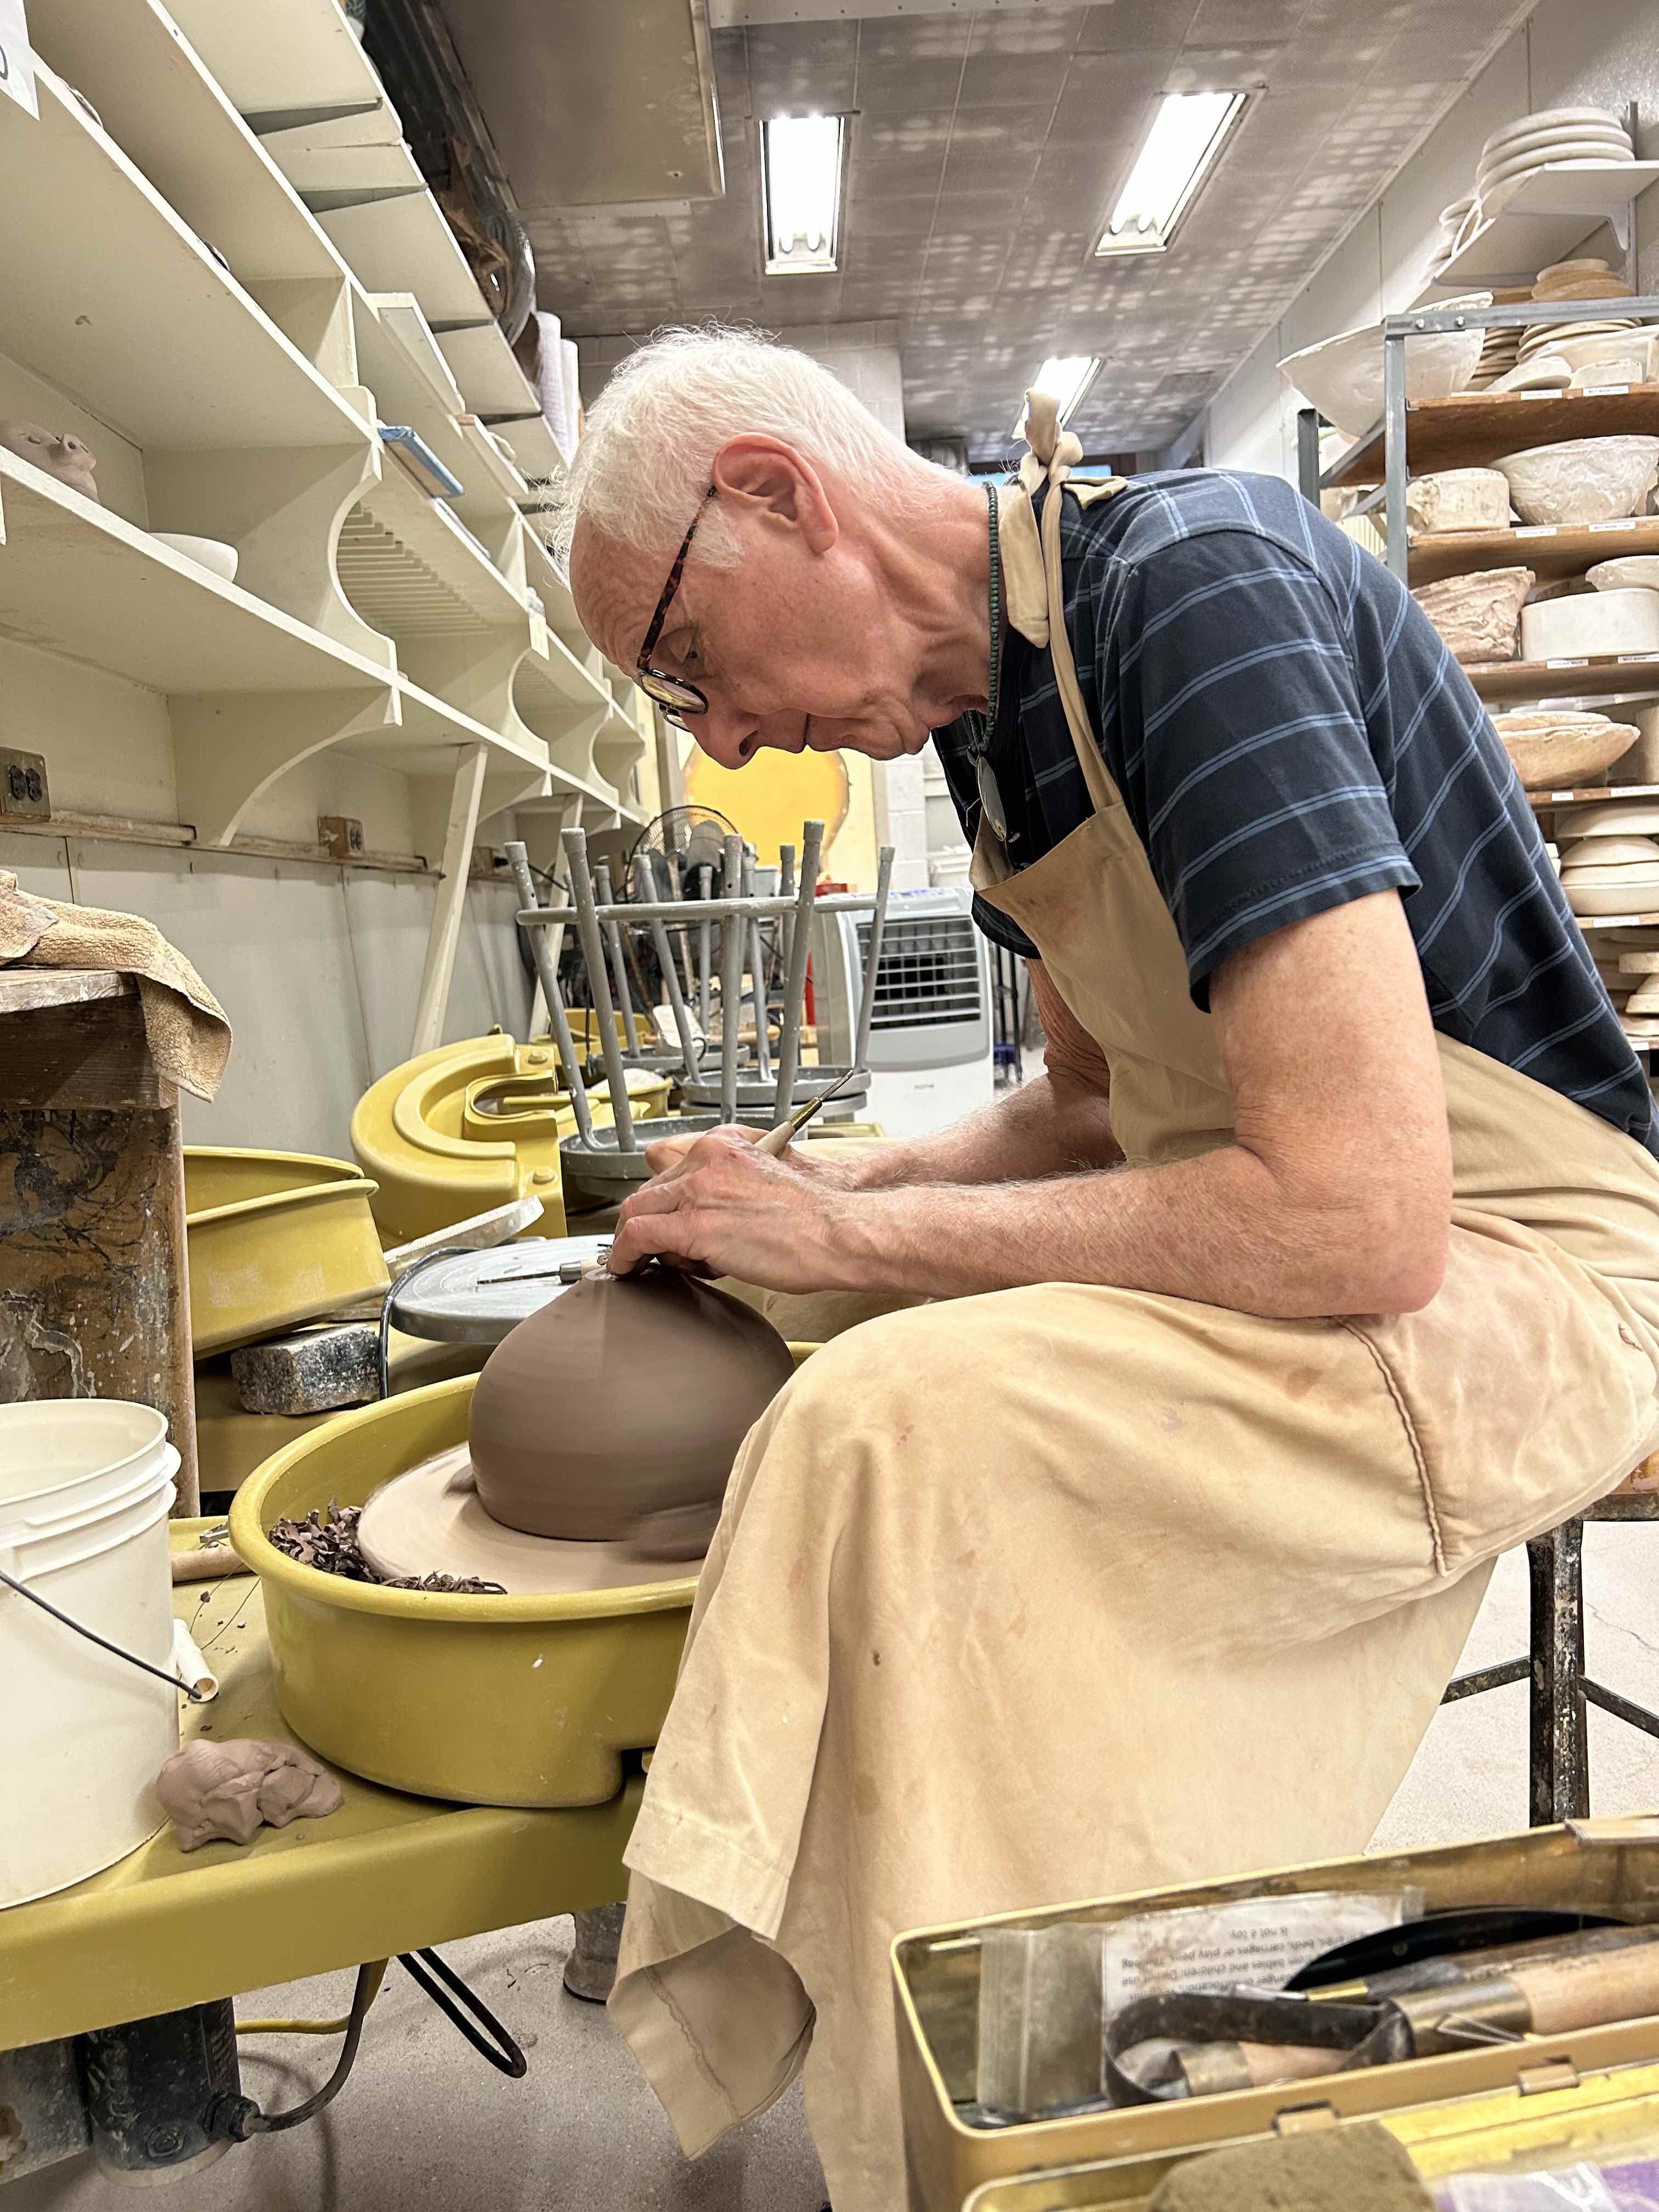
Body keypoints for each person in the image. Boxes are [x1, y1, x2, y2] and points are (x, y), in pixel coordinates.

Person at [559, 326, 1659, 2212]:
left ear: (775, 492)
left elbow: (1356, 1216)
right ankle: (902, 1944)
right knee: (772, 1298)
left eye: (684, 664)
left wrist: (868, 1241)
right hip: (1309, 1232)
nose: (718, 740)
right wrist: (812, 1198)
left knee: (895, 1421)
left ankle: (1052, 2120)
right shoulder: (1002, 718)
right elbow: (1089, 1121)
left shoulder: (1192, 597)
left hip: (1524, 1269)